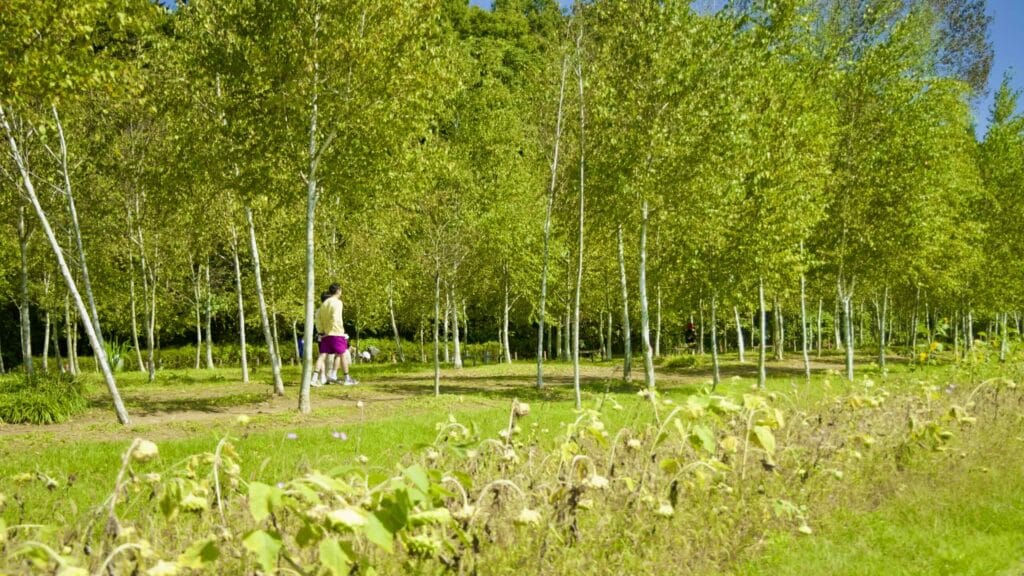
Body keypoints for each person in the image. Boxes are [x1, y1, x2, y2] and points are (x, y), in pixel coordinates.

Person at [316, 283, 357, 385]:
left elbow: (320, 321)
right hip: (336, 332)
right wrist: (338, 332)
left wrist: (323, 332)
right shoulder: (338, 302)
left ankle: (316, 377)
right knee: (342, 353)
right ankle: (347, 378)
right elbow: (336, 318)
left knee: (322, 355)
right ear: (338, 290)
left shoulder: (323, 304)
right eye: (341, 290)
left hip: (325, 334)